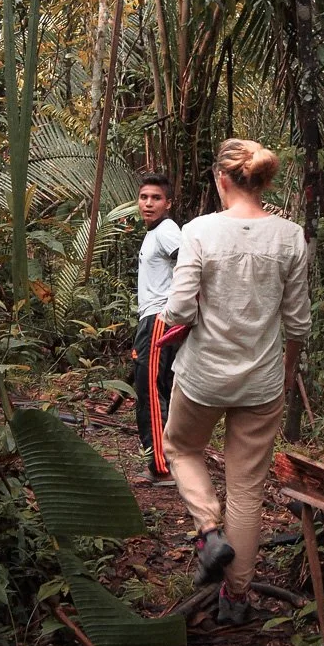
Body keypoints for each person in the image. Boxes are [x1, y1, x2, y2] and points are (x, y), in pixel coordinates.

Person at [162, 139, 311, 625]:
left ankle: (208, 530)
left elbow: (180, 309)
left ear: (221, 179)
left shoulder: (200, 231)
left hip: (203, 377)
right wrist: (285, 375)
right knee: (246, 490)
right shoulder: (289, 237)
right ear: (262, 180)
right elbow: (298, 323)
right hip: (262, 382)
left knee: (181, 448)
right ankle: (237, 599)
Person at [133, 173, 182, 483]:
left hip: (159, 318)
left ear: (168, 203)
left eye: (156, 198)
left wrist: (176, 309)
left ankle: (160, 467)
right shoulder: (154, 233)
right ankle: (167, 461)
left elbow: (190, 263)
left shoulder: (166, 231)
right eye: (144, 197)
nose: (149, 203)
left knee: (149, 392)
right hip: (152, 319)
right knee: (157, 389)